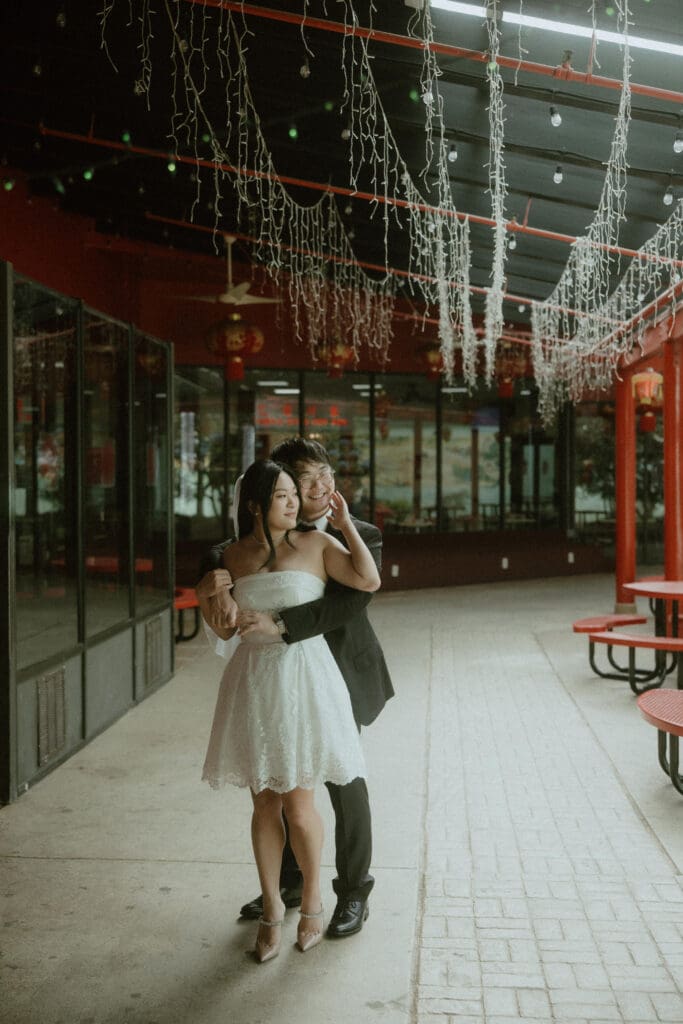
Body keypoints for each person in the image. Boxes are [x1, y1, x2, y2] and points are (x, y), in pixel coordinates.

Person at [197, 437, 394, 940]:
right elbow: (222, 590)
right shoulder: (240, 548)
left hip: (339, 671)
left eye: (325, 475)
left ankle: (353, 893)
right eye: (306, 481)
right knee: (279, 778)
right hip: (267, 679)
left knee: (344, 787)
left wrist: (281, 627)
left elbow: (346, 605)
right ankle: (285, 887)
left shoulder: (358, 535)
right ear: (278, 487)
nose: (321, 487)